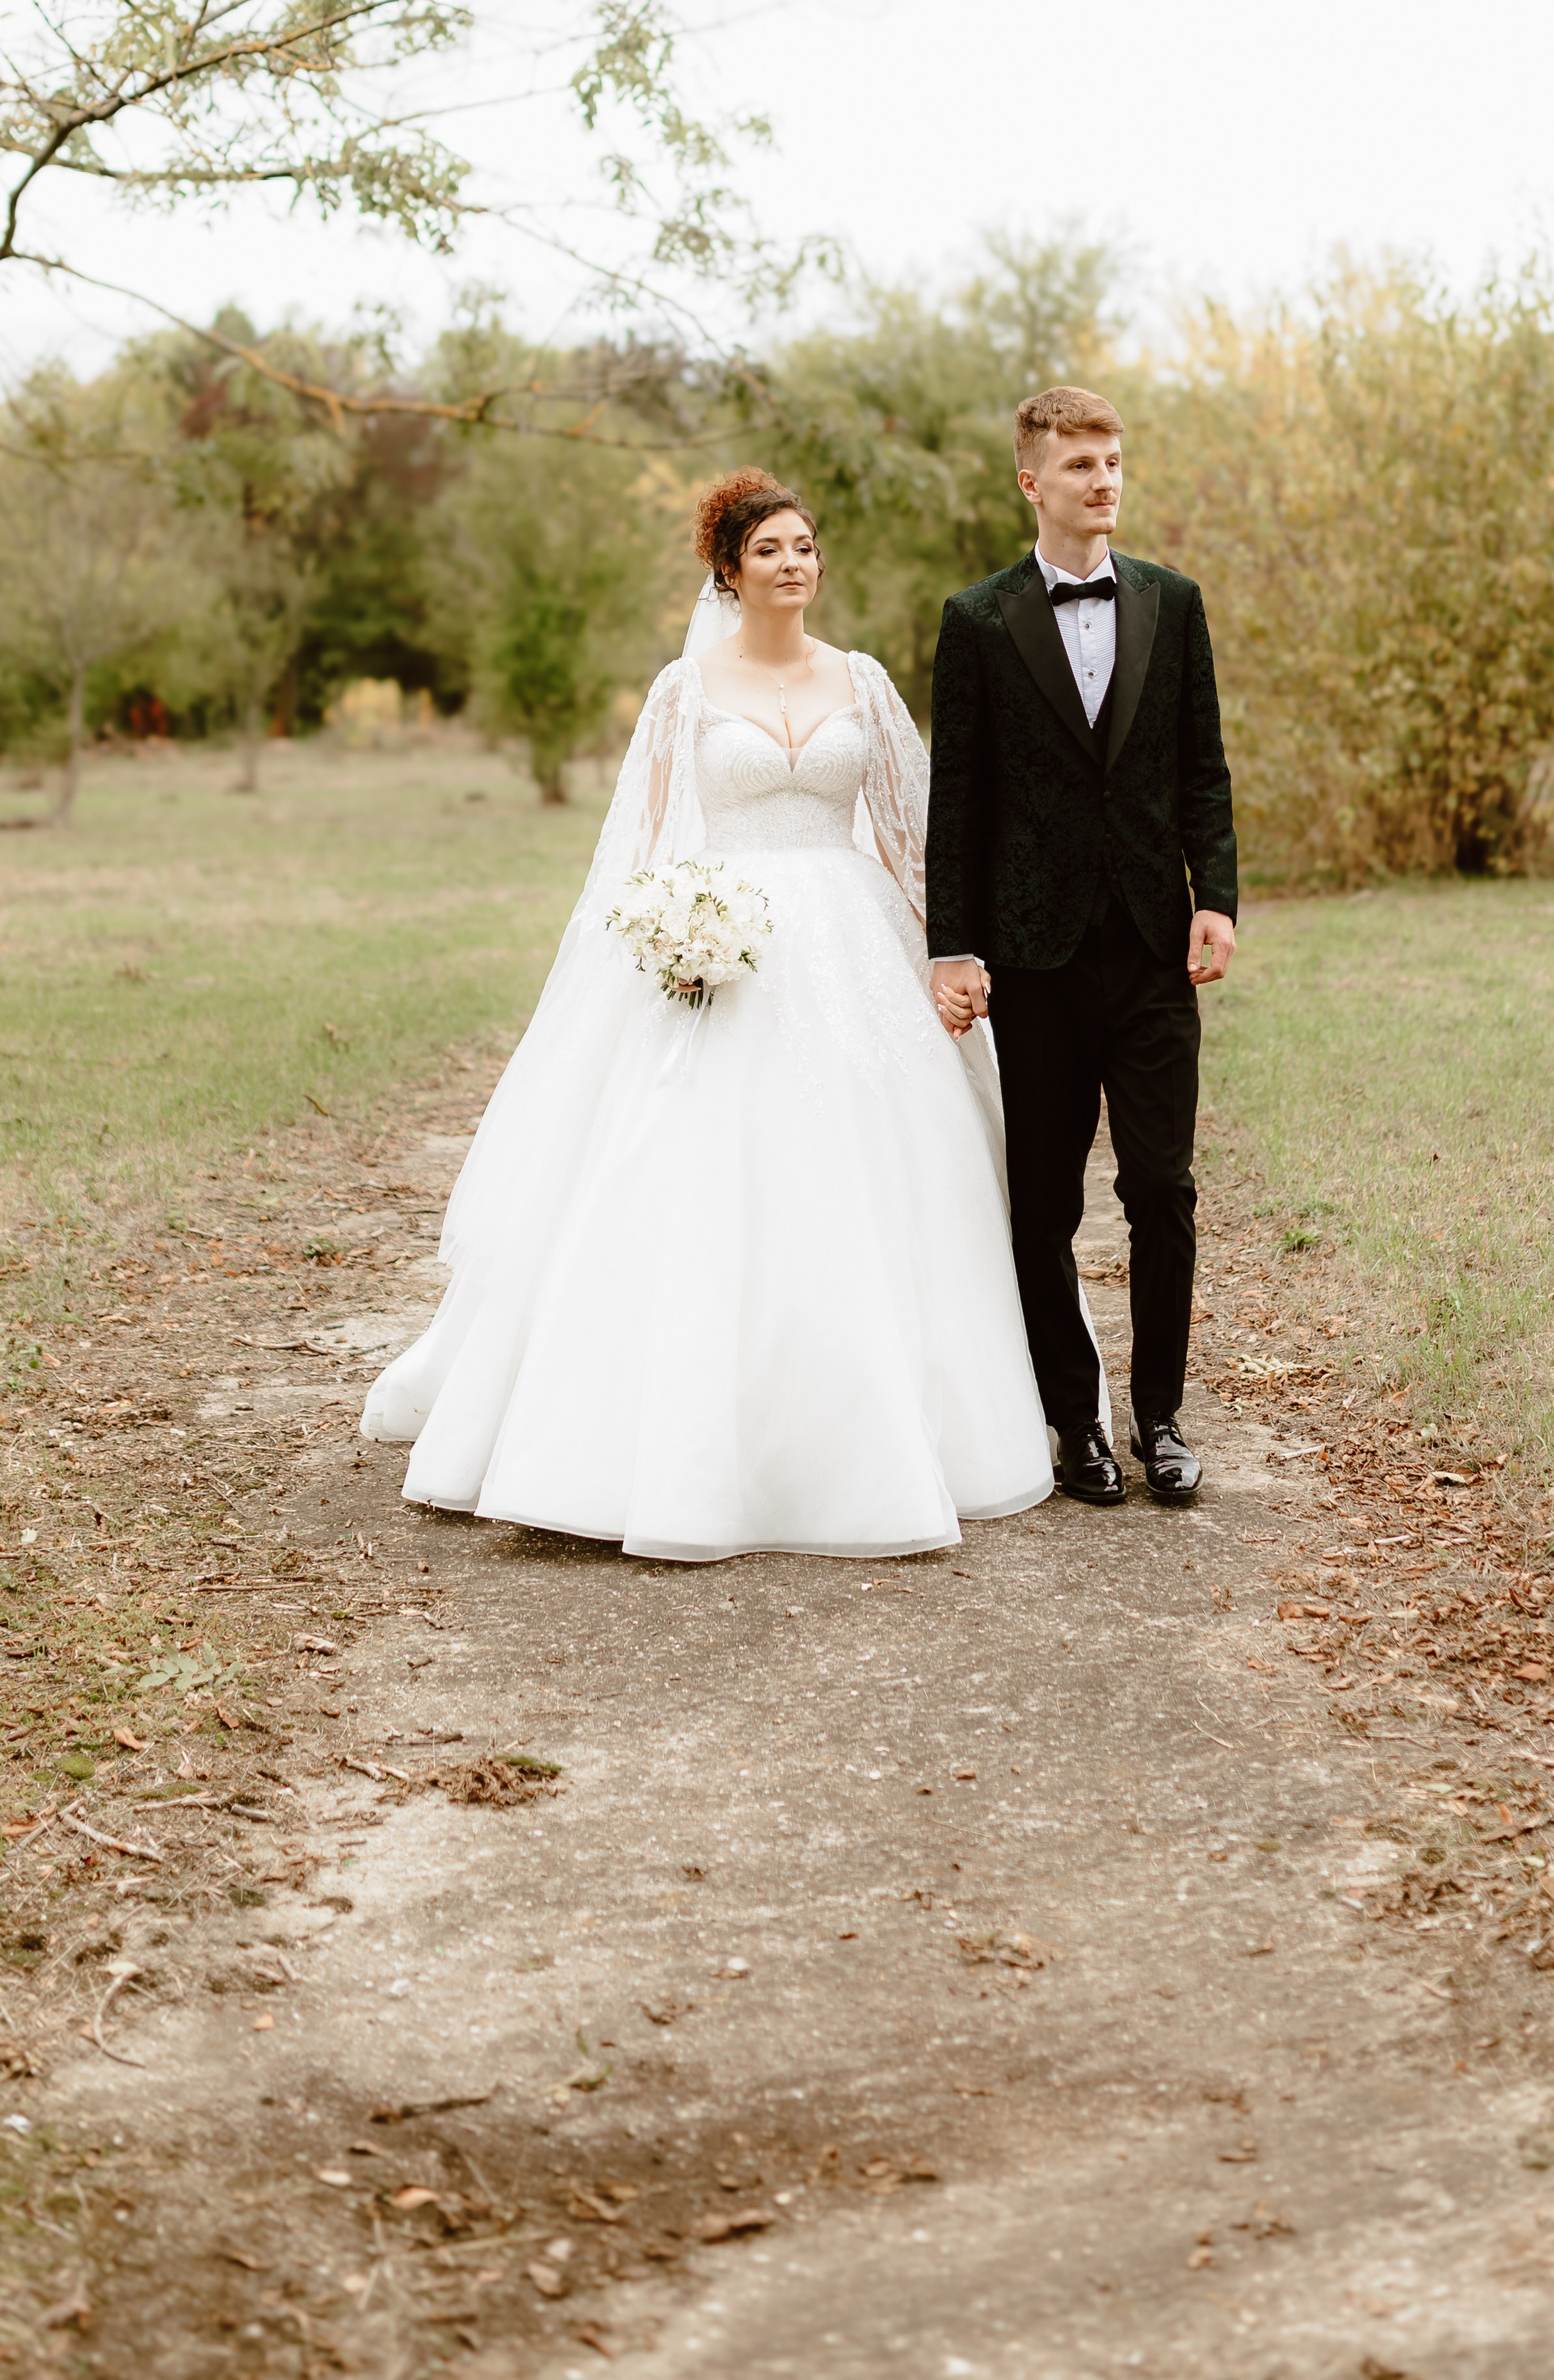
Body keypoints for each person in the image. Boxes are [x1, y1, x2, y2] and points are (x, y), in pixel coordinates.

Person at [361, 469, 1053, 1560]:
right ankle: (658, 1439)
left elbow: (915, 835)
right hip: (724, 949)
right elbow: (637, 854)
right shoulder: (683, 693)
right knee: (697, 1174)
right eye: (772, 548)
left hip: (854, 951)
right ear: (730, 569)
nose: (795, 563)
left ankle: (887, 1429)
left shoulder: (865, 683)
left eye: (807, 545)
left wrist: (946, 957)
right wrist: (668, 939)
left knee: (876, 1171)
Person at [925, 388, 1238, 1509]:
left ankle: (1161, 1418)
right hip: (1036, 962)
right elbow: (955, 800)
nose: (1104, 480)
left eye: (1114, 461)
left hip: (1156, 951)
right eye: (1080, 466)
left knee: (1162, 1187)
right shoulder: (976, 621)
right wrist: (951, 948)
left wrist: (1219, 900)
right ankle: (1075, 1423)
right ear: (1031, 482)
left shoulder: (1174, 603)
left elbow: (1201, 768)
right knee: (1044, 1202)